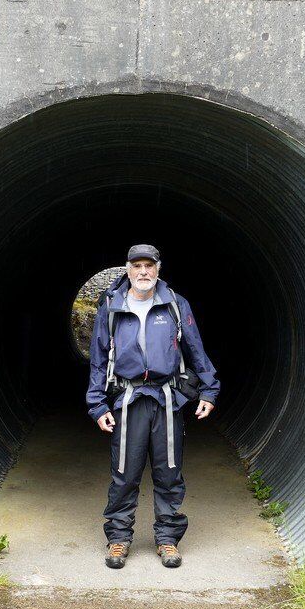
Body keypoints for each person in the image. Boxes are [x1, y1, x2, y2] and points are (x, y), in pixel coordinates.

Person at [85, 244, 219, 569]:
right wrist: (97, 404)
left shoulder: (174, 304)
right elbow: (99, 357)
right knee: (124, 473)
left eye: (149, 265)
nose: (143, 272)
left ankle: (168, 540)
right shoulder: (111, 306)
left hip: (167, 398)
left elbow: (195, 348)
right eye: (137, 266)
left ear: (158, 268)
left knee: (169, 472)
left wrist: (209, 390)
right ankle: (118, 539)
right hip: (128, 401)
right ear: (127, 270)